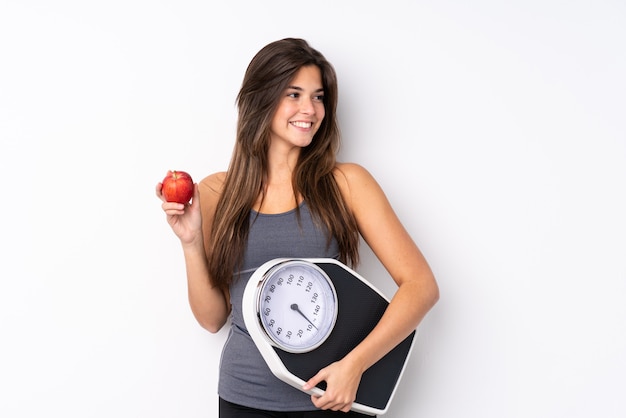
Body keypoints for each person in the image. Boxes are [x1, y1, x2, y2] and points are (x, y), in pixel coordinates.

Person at [156, 38, 439, 417]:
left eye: (318, 97)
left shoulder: (348, 183)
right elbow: (212, 319)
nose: (310, 109)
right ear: (261, 99)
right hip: (242, 397)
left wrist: (355, 366)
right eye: (294, 94)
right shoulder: (213, 191)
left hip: (331, 398)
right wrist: (190, 243)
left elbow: (421, 286)